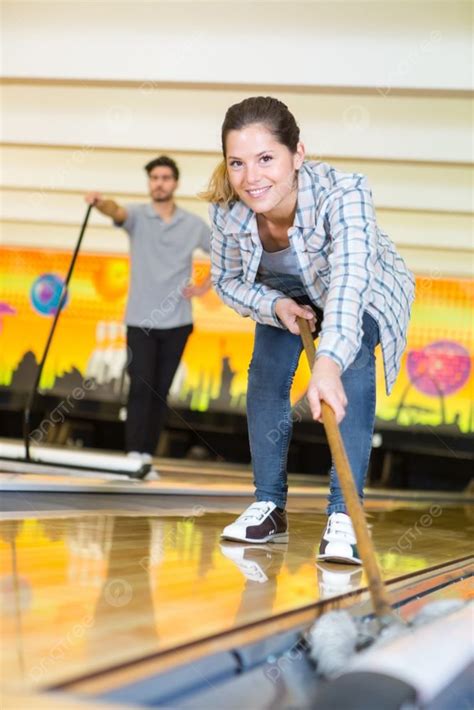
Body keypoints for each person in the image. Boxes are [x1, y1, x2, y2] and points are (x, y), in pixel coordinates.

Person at [202, 97, 415, 564]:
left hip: (363, 286)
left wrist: (328, 361)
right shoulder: (227, 209)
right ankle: (269, 505)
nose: (251, 178)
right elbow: (228, 280)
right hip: (283, 294)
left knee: (351, 366)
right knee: (265, 374)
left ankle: (345, 515)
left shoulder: (345, 192)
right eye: (236, 162)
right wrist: (273, 304)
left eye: (265, 159)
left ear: (297, 154)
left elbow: (349, 280)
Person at [85, 155, 211, 466]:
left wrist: (204, 286)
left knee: (160, 392)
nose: (160, 183)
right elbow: (115, 210)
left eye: (165, 178)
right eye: (154, 178)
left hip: (178, 322)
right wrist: (100, 202)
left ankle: (147, 458)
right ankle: (133, 454)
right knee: (140, 387)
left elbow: (224, 254)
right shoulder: (138, 217)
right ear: (149, 183)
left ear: (175, 183)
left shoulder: (192, 224)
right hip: (140, 320)